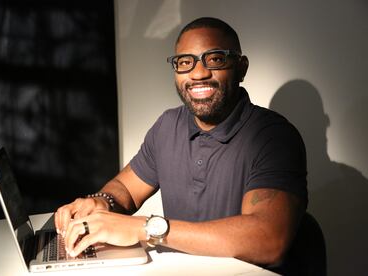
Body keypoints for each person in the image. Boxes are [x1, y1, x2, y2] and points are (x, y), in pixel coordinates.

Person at [54, 17, 307, 269]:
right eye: (185, 62)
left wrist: (146, 228)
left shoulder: (274, 137)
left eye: (215, 59)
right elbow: (126, 188)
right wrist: (103, 201)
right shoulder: (168, 126)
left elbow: (268, 240)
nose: (198, 73)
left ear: (241, 67)